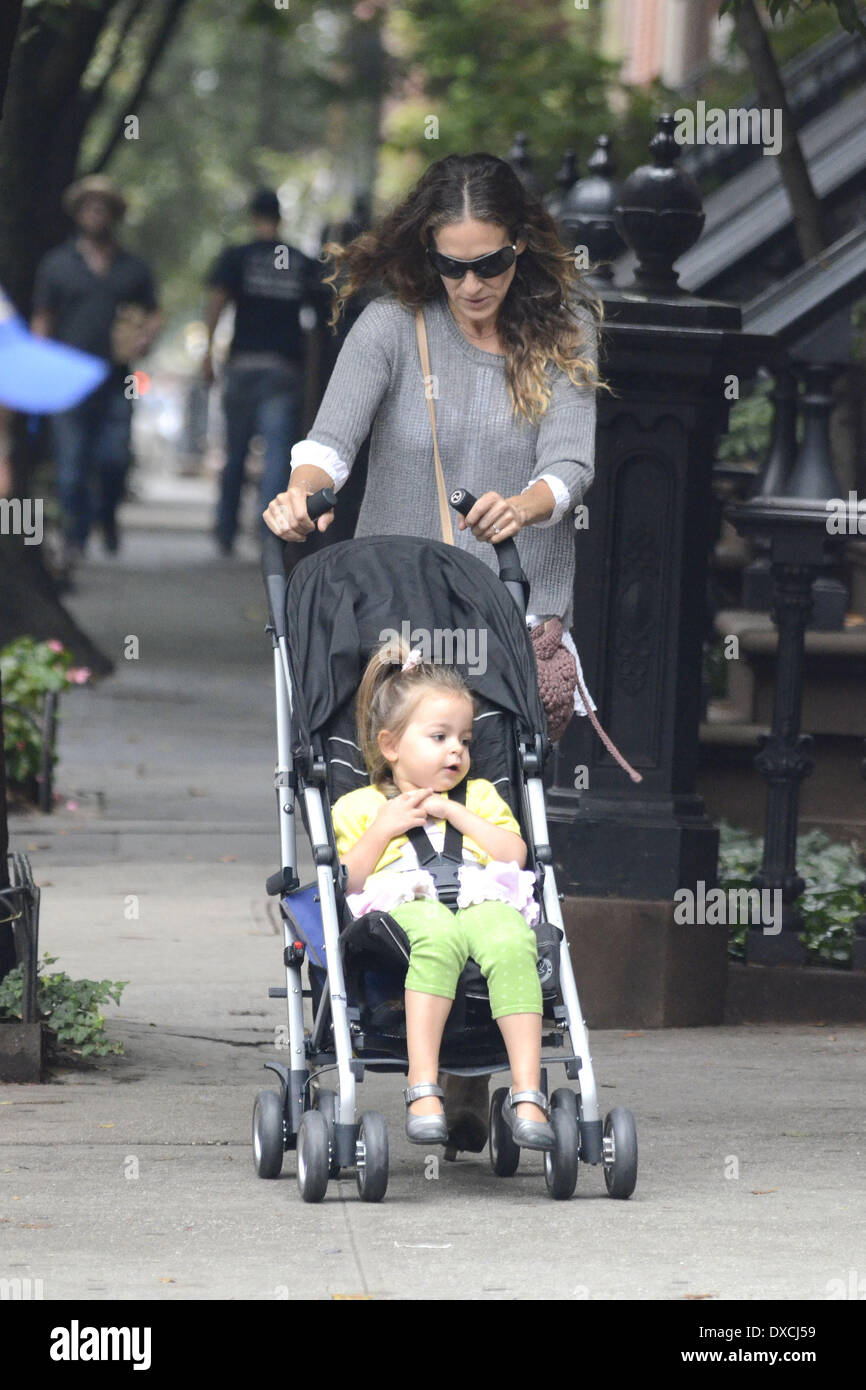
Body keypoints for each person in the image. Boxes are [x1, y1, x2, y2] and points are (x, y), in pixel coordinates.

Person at [263, 150, 605, 1150]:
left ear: (522, 249)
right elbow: (330, 442)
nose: (470, 285)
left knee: (498, 820)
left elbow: (571, 461)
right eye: (451, 265)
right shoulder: (387, 327)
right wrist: (300, 491)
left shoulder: (559, 331)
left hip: (511, 617)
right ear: (427, 256)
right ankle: (412, 1039)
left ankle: (478, 1059)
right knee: (402, 834)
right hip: (395, 631)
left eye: (489, 263)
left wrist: (528, 503)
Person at [332, 639, 555, 1149]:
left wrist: (458, 815)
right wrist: (383, 829)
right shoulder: (360, 806)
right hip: (404, 907)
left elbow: (515, 855)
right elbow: (348, 879)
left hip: (479, 896)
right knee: (437, 934)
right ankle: (424, 1084)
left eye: (466, 740)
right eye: (439, 737)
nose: (457, 750)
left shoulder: (478, 796)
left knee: (511, 938)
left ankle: (526, 1091)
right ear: (391, 746)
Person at [31, 175, 161, 579]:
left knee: (113, 458)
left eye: (103, 206)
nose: (96, 212)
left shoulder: (132, 267)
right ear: (80, 213)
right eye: (89, 206)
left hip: (117, 379)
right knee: (71, 466)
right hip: (68, 381)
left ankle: (107, 515)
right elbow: (43, 318)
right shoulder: (57, 264)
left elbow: (154, 314)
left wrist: (143, 338)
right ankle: (75, 538)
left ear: (112, 215)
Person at [203, 189, 324, 555]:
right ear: (280, 218)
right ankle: (266, 534)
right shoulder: (301, 262)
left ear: (253, 216)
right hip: (283, 370)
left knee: (235, 451)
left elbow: (216, 304)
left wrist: (207, 356)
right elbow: (320, 320)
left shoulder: (238, 258)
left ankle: (225, 531)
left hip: (243, 366)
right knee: (277, 456)